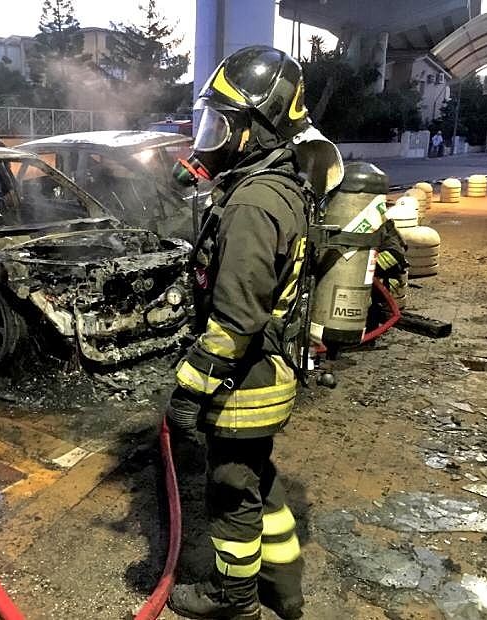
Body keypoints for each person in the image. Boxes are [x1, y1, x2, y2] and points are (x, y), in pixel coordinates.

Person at [166, 45, 319, 620]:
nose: (210, 139)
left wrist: (190, 389)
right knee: (259, 478)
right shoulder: (279, 186)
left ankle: (232, 599)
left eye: (222, 125)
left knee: (230, 491)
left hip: (244, 382)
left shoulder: (252, 205)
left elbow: (235, 320)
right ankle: (285, 585)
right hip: (271, 369)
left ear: (257, 130)